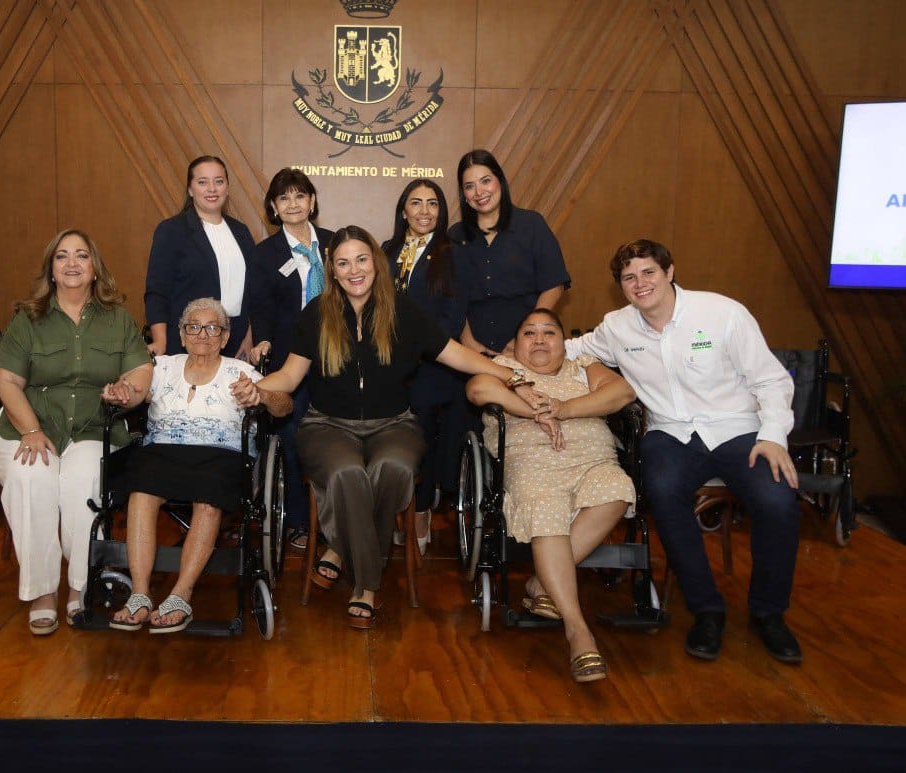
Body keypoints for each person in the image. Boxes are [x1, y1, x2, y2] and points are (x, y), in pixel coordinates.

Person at [231, 226, 537, 630]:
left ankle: (339, 547)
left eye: (361, 259)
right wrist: (255, 387)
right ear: (333, 272)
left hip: (394, 424)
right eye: (343, 263)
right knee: (347, 473)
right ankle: (368, 585)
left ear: (375, 262)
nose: (354, 269)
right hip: (327, 426)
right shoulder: (317, 315)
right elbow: (288, 378)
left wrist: (508, 373)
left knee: (393, 469)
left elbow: (456, 355)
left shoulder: (404, 312)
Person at [563, 239, 802, 664]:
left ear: (669, 271)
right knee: (661, 490)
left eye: (648, 272)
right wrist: (510, 354)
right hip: (670, 432)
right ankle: (706, 611)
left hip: (739, 428)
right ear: (620, 286)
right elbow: (570, 350)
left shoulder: (723, 313)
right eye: (629, 277)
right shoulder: (617, 327)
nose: (640, 283)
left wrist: (772, 435)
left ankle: (769, 614)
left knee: (778, 500)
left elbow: (771, 380)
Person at [0, 229, 152, 636]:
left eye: (81, 255)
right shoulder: (29, 317)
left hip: (94, 427)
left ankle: (80, 586)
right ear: (52, 269)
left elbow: (141, 371)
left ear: (96, 268)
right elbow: (6, 380)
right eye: (62, 256)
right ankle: (42, 592)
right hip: (28, 427)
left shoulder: (117, 318)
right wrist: (31, 430)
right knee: (33, 475)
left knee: (82, 479)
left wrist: (125, 392)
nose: (72, 263)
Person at [101, 298, 292, 633]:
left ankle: (181, 592)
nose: (202, 334)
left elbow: (285, 406)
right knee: (141, 485)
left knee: (211, 490)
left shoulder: (241, 372)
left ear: (224, 336)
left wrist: (260, 395)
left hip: (220, 455)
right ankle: (141, 593)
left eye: (212, 328)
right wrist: (121, 391)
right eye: (193, 326)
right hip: (163, 452)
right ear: (182, 333)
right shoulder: (161, 367)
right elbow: (132, 392)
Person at [466, 308, 636, 683]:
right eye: (529, 333)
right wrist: (535, 412)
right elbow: (477, 389)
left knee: (618, 487)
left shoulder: (584, 365)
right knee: (546, 507)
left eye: (549, 332)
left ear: (564, 342)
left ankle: (543, 583)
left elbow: (622, 391)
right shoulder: (505, 367)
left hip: (593, 461)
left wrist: (563, 409)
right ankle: (578, 629)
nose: (540, 340)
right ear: (515, 342)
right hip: (534, 467)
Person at [244, 168, 334, 550]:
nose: (293, 203)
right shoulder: (266, 254)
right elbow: (261, 305)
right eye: (284, 198)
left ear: (312, 202)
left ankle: (333, 523)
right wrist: (261, 340)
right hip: (286, 358)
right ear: (273, 208)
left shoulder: (334, 243)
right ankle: (298, 520)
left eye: (300, 195)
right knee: (292, 437)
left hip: (335, 357)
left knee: (333, 436)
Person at [381, 179, 466, 553]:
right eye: (416, 203)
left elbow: (453, 314)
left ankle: (422, 511)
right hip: (387, 368)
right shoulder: (386, 251)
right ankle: (395, 510)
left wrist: (422, 350)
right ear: (403, 210)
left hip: (431, 367)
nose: (424, 211)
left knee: (423, 442)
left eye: (432, 204)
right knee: (389, 443)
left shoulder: (454, 254)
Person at [448, 149, 570, 355]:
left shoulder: (531, 224)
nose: (479, 192)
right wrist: (467, 340)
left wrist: (527, 336)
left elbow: (553, 285)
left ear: (500, 181)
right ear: (464, 195)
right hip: (471, 353)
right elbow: (451, 296)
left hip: (527, 350)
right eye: (470, 186)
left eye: (485, 181)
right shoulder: (455, 234)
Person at [145, 156, 255, 359]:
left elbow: (251, 292)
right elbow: (157, 292)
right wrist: (160, 340)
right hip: (189, 341)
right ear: (190, 189)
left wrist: (249, 335)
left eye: (219, 181)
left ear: (227, 188)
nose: (212, 189)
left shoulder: (241, 232)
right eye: (202, 182)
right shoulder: (171, 230)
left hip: (235, 341)